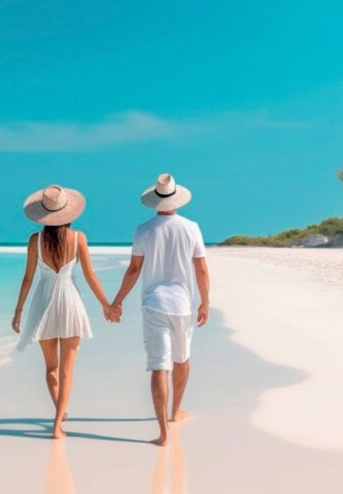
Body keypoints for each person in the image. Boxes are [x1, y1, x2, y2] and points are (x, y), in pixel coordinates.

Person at [109, 173, 210, 446]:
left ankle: (163, 433)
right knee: (182, 359)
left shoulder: (143, 229)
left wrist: (117, 300)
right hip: (182, 305)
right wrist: (205, 301)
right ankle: (176, 410)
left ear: (155, 201)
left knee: (159, 367)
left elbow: (133, 269)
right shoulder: (191, 227)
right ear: (177, 199)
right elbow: (200, 267)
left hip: (154, 304)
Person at [12, 185, 117, 439]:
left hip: (43, 302)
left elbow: (27, 278)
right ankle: (58, 424)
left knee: (51, 368)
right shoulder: (78, 238)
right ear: (68, 212)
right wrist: (107, 304)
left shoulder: (35, 241)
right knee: (68, 370)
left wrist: (18, 311)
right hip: (70, 301)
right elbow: (90, 276)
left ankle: (59, 413)